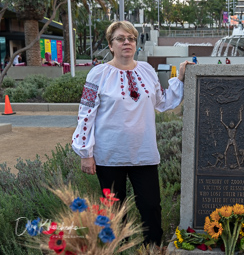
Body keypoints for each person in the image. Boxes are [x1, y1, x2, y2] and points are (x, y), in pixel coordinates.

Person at [71, 20, 194, 248]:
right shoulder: (97, 74)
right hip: (109, 155)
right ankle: (120, 250)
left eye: (131, 38)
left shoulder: (147, 70)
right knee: (115, 210)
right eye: (120, 38)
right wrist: (85, 152)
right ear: (110, 45)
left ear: (136, 43)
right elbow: (86, 113)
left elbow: (162, 101)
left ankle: (152, 250)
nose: (126, 42)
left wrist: (181, 78)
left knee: (150, 207)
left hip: (143, 153)